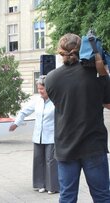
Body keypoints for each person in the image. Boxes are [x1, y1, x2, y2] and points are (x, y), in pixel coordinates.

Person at [45, 33, 110, 203]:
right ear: (82, 49)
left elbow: (62, 104)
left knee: (67, 197)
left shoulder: (51, 79)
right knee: (102, 196)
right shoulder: (98, 73)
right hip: (93, 145)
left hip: (66, 145)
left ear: (60, 51)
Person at [9, 75, 59, 194]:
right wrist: (16, 123)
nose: (40, 91)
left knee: (50, 161)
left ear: (49, 88)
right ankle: (40, 184)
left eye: (42, 88)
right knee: (38, 160)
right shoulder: (37, 101)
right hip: (38, 136)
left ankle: (52, 186)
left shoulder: (56, 101)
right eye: (38, 88)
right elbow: (23, 112)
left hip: (52, 136)